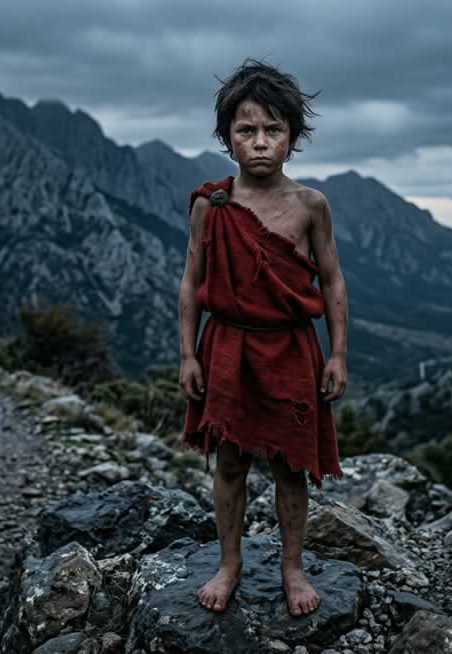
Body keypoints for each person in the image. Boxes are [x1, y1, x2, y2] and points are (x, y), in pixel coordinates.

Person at [177, 58, 349, 618]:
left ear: (292, 139)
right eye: (246, 130)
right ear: (227, 138)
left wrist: (338, 354)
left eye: (273, 130)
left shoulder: (310, 206)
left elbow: (332, 280)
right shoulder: (213, 205)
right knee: (229, 462)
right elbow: (191, 281)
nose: (259, 142)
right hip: (227, 347)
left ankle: (292, 569)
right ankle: (229, 565)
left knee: (289, 465)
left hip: (291, 349)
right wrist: (187, 354)